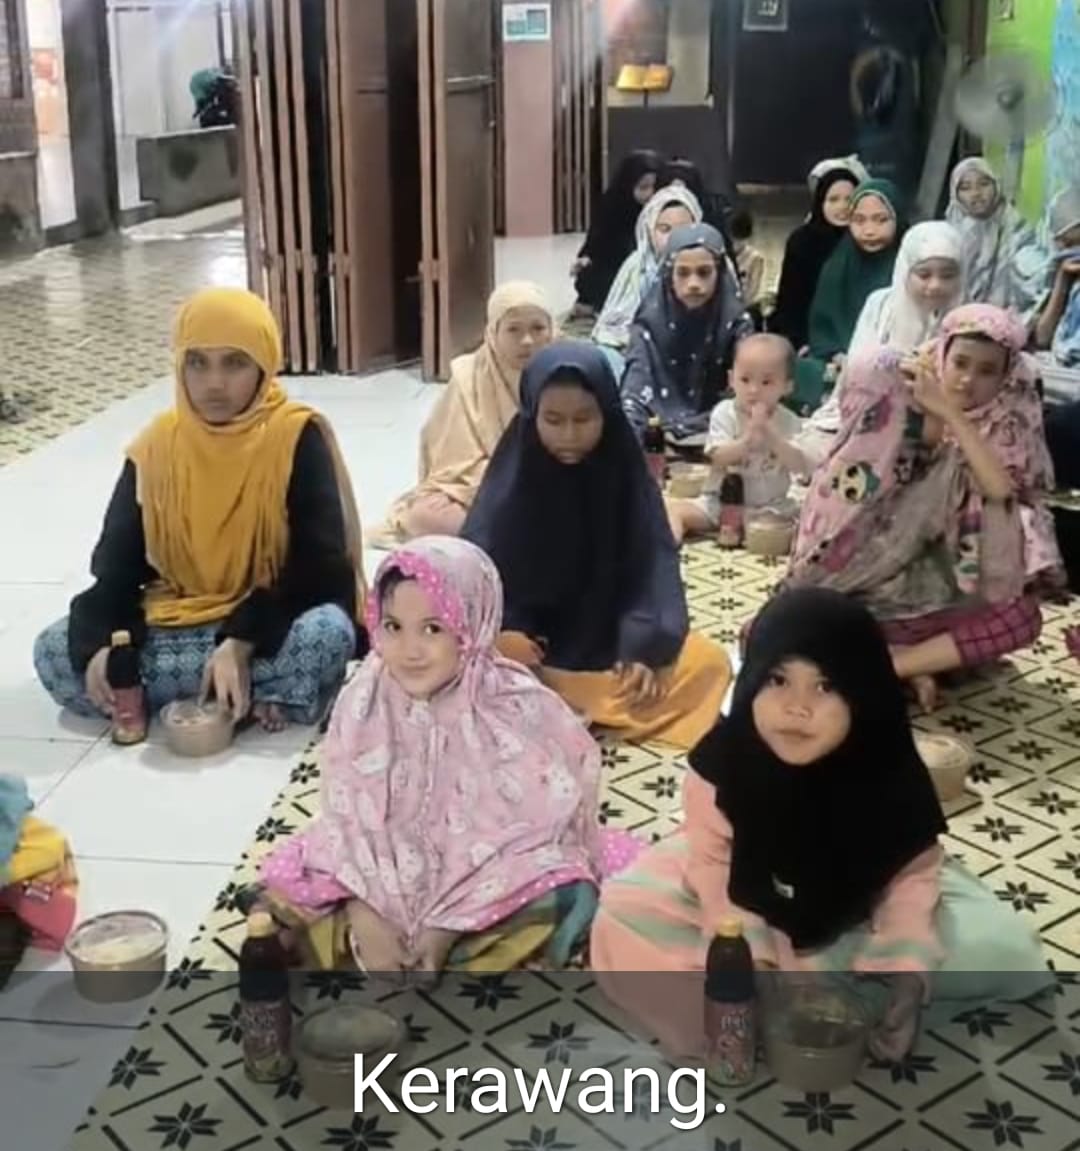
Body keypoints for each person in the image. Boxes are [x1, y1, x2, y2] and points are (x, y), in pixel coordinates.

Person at [591, 588, 1050, 1062]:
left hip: (855, 912)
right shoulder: (724, 766)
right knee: (621, 917)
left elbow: (911, 877)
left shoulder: (885, 768)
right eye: (778, 680)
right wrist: (752, 961)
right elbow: (713, 865)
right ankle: (800, 998)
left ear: (863, 693)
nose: (798, 707)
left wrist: (907, 974)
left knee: (1004, 948)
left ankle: (855, 1000)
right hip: (742, 897)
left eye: (826, 686)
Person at [259, 537, 638, 974]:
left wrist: (449, 924)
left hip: (485, 884)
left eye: (433, 629)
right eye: (393, 626)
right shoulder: (364, 699)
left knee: (567, 892)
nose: (410, 650)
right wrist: (367, 910)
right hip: (373, 868)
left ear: (472, 626)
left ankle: (445, 942)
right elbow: (348, 820)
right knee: (285, 897)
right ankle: (375, 933)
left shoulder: (511, 705)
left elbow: (532, 830)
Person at [33, 288, 365, 732]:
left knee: (328, 633)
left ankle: (183, 689)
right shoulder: (157, 448)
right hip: (178, 617)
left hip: (269, 620)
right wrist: (105, 645)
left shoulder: (294, 437)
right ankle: (255, 694)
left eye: (234, 363)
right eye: (197, 363)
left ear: (264, 365)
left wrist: (240, 641)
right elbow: (116, 567)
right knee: (53, 651)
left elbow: (321, 568)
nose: (214, 383)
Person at [784, 304, 1063, 713]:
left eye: (987, 371)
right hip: (878, 583)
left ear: (1007, 376)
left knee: (1020, 618)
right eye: (960, 363)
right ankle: (909, 664)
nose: (968, 380)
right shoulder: (901, 408)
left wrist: (950, 414)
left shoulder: (1007, 421)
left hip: (945, 588)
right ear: (940, 357)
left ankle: (894, 667)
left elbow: (1000, 490)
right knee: (790, 626)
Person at [463, 342, 731, 751]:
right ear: (532, 414)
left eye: (584, 419)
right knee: (479, 670)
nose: (569, 435)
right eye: (553, 420)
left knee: (709, 664)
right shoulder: (515, 475)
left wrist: (644, 646)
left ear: (607, 412)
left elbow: (650, 567)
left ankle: (563, 712)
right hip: (532, 652)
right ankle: (560, 707)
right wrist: (503, 632)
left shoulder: (623, 469)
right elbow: (473, 573)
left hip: (612, 643)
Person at [380, 282, 554, 541]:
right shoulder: (468, 378)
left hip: (550, 482)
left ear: (552, 330)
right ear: (493, 332)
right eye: (513, 329)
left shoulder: (564, 371)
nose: (527, 341)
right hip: (481, 490)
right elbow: (452, 466)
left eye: (538, 328)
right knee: (427, 516)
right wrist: (505, 479)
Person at [800, 221, 966, 468]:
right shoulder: (880, 305)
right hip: (872, 412)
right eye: (924, 275)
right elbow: (858, 369)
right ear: (905, 270)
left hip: (939, 423)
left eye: (948, 276)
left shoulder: (967, 318)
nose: (935, 285)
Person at [667, 334, 807, 545]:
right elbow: (717, 458)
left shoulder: (790, 421)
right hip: (721, 503)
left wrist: (772, 437)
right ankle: (666, 548)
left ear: (787, 386)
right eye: (745, 380)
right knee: (675, 511)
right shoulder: (725, 413)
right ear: (731, 379)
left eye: (766, 382)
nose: (753, 390)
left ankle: (754, 534)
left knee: (799, 524)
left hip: (770, 506)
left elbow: (799, 466)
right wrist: (747, 441)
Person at [621, 223, 751, 439]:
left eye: (704, 273)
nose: (693, 284)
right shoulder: (648, 324)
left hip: (722, 428)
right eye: (682, 273)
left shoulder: (736, 323)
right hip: (656, 430)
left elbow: (749, 394)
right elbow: (634, 391)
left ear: (720, 273)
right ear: (668, 274)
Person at [792, 178, 905, 415]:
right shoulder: (838, 265)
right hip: (839, 360)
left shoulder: (908, 267)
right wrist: (837, 354)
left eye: (881, 220)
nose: (869, 230)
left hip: (893, 363)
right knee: (794, 371)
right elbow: (822, 325)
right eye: (859, 220)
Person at [591, 184, 703, 374]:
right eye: (664, 229)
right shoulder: (637, 266)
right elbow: (615, 326)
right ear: (650, 230)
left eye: (684, 229)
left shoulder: (712, 261)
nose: (674, 237)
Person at [772, 164, 862, 350]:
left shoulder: (866, 240)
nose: (842, 207)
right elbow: (790, 302)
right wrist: (798, 342)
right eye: (833, 199)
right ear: (820, 202)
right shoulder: (802, 242)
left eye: (849, 199)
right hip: (808, 340)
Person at [946, 157, 1047, 321]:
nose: (976, 193)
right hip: (959, 321)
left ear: (996, 186)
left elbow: (1035, 278)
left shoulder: (1017, 227)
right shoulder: (948, 235)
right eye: (965, 188)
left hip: (1009, 320)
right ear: (955, 194)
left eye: (984, 184)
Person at [571, 150, 663, 315]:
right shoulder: (613, 204)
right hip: (619, 270)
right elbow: (597, 239)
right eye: (643, 187)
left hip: (654, 269)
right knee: (590, 278)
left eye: (655, 188)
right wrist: (586, 257)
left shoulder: (665, 208)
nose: (650, 194)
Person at [1033, 186, 1080, 366]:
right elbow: (1043, 336)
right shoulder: (1066, 273)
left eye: (1071, 244)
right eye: (1067, 245)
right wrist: (1062, 279)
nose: (1065, 250)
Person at [729, 208, 766, 310]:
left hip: (746, 309)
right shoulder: (722, 255)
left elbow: (752, 291)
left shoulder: (755, 258)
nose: (735, 244)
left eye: (738, 239)